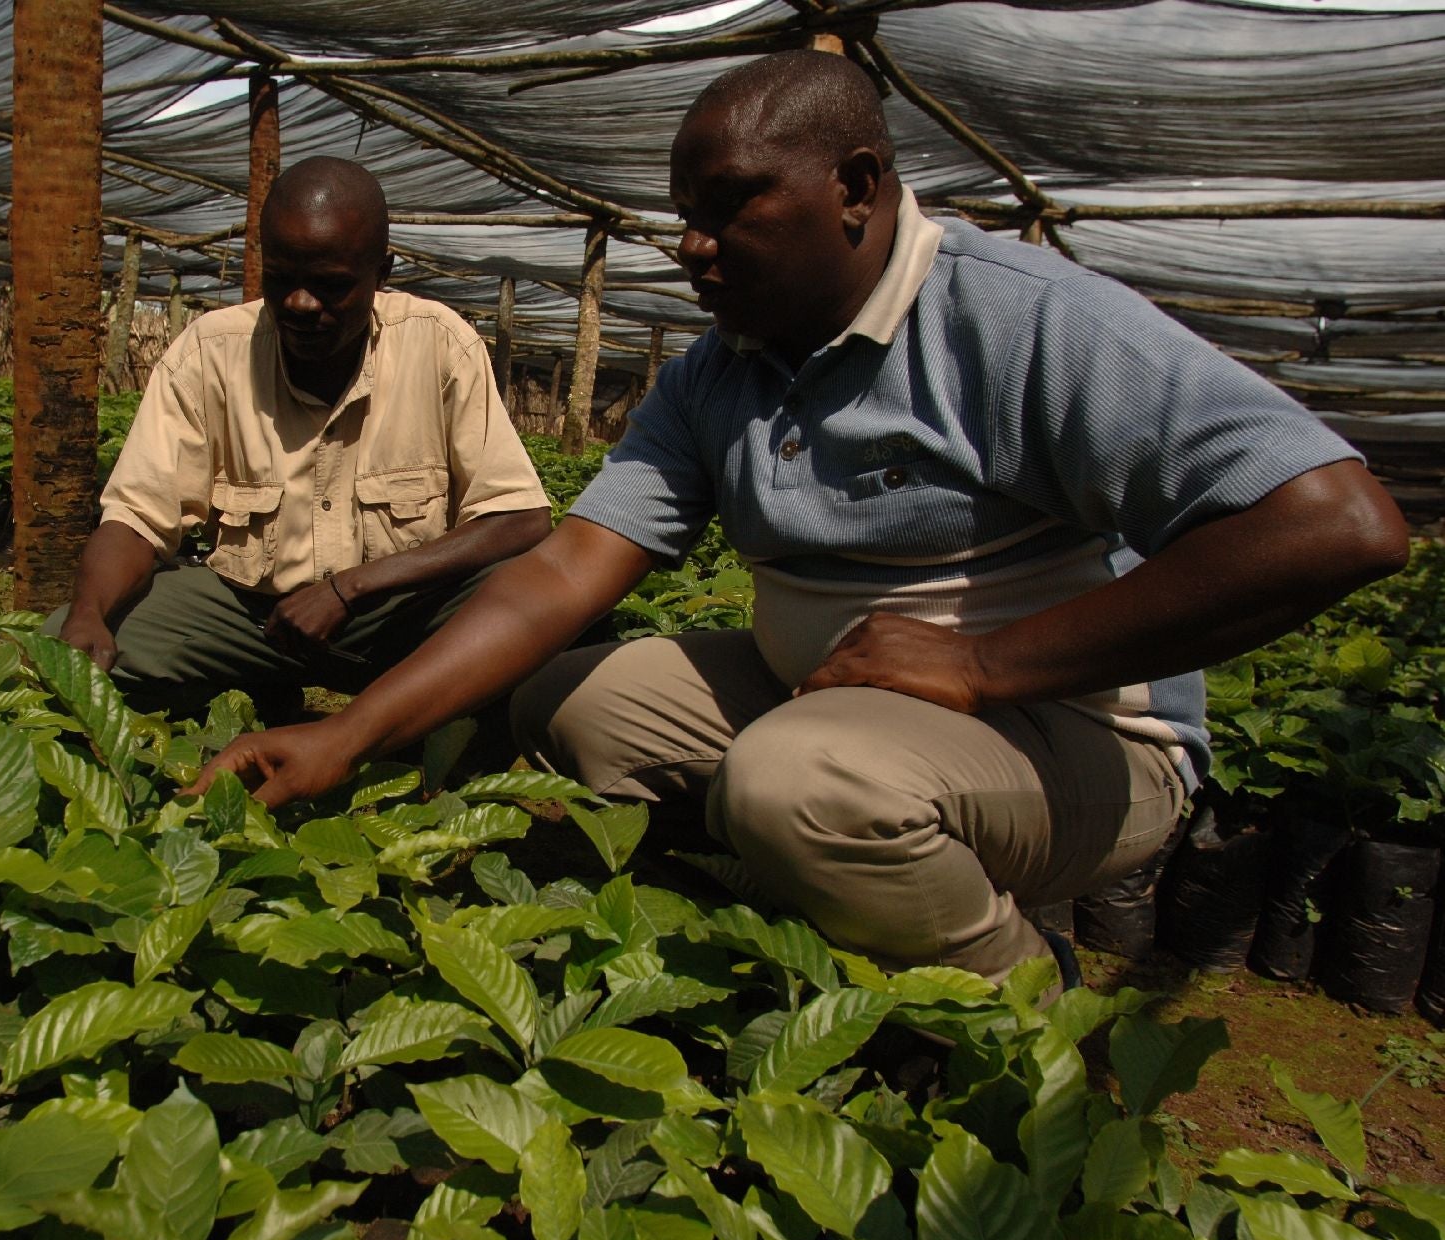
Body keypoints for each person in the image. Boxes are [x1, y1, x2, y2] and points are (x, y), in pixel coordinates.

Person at [193, 53, 1408, 984]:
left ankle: (1028, 1012)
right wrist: (348, 733)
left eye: (729, 208)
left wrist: (987, 660)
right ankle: (811, 925)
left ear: (858, 192)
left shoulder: (1018, 320)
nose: (692, 245)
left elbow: (1339, 523)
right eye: (684, 213)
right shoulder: (723, 365)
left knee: (797, 784)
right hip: (840, 692)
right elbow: (565, 566)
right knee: (575, 695)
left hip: (1081, 734)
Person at [49, 156, 551, 719]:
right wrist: (88, 612)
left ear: (381, 273)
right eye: (282, 279)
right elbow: (136, 519)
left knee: (552, 612)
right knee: (76, 651)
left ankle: (441, 764)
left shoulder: (439, 347)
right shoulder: (210, 354)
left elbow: (520, 517)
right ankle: (239, 713)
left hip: (400, 614)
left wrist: (349, 589)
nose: (301, 304)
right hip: (253, 618)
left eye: (331, 286)